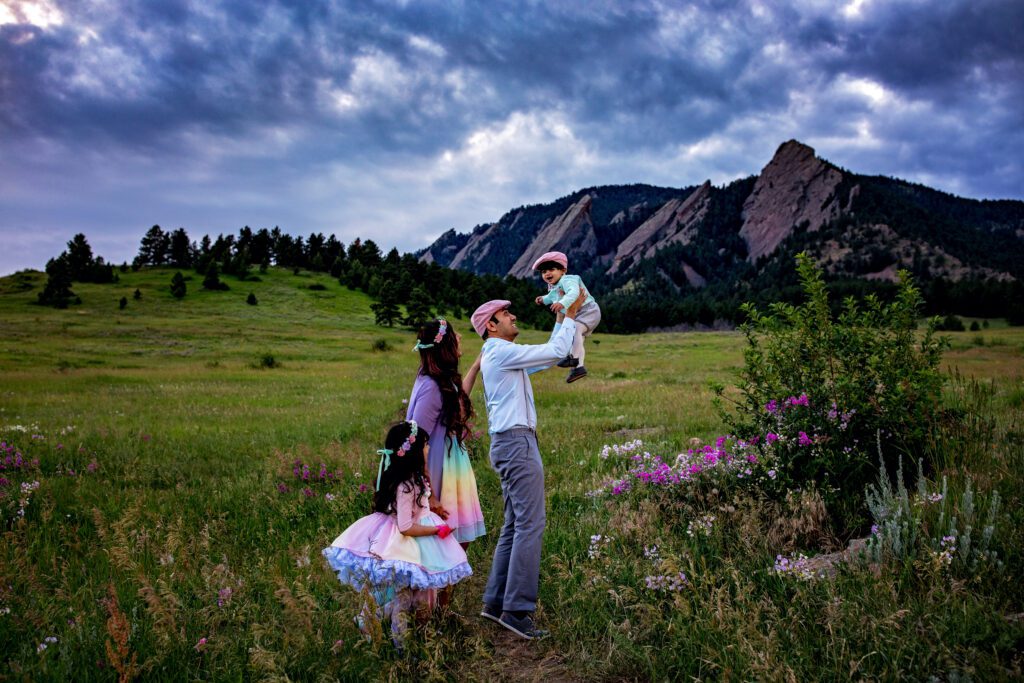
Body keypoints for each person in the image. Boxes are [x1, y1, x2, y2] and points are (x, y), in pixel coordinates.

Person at [471, 290, 587, 640]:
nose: (513, 317)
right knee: (531, 524)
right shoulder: (501, 350)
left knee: (514, 524)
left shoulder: (500, 354)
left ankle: (494, 602)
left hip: (509, 442)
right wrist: (569, 313)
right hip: (517, 443)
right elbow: (555, 352)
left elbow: (549, 356)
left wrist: (559, 320)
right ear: (491, 325)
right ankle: (517, 610)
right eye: (506, 315)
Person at [322, 421, 471, 649]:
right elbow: (405, 526)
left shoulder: (416, 479)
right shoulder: (406, 485)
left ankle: (416, 632)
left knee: (418, 592)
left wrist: (434, 511)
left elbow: (417, 510)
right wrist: (436, 529)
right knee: (402, 595)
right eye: (425, 445)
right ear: (413, 451)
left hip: (418, 537)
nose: (428, 449)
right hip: (407, 540)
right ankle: (400, 645)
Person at [407, 317, 486, 545]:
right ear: (446, 345)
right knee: (444, 543)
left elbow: (457, 404)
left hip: (452, 466)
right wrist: (429, 494)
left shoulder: (441, 380)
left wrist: (475, 367)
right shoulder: (431, 386)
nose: (460, 337)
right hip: (437, 470)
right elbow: (416, 441)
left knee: (457, 541)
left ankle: (448, 581)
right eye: (455, 334)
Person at [531, 251, 601, 383]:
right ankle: (578, 368)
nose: (547, 274)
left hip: (588, 310)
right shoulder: (554, 287)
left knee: (575, 332)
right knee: (576, 337)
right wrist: (542, 300)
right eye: (543, 272)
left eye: (551, 269)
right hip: (580, 313)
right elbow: (551, 297)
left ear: (563, 270)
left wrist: (562, 303)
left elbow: (574, 293)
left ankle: (573, 358)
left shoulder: (568, 279)